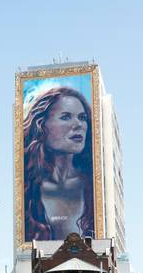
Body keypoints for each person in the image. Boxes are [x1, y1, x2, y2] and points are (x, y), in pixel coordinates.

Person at [23, 86, 95, 241]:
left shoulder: (94, 185)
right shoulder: (27, 189)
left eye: (82, 117)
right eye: (66, 117)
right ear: (41, 125)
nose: (78, 125)